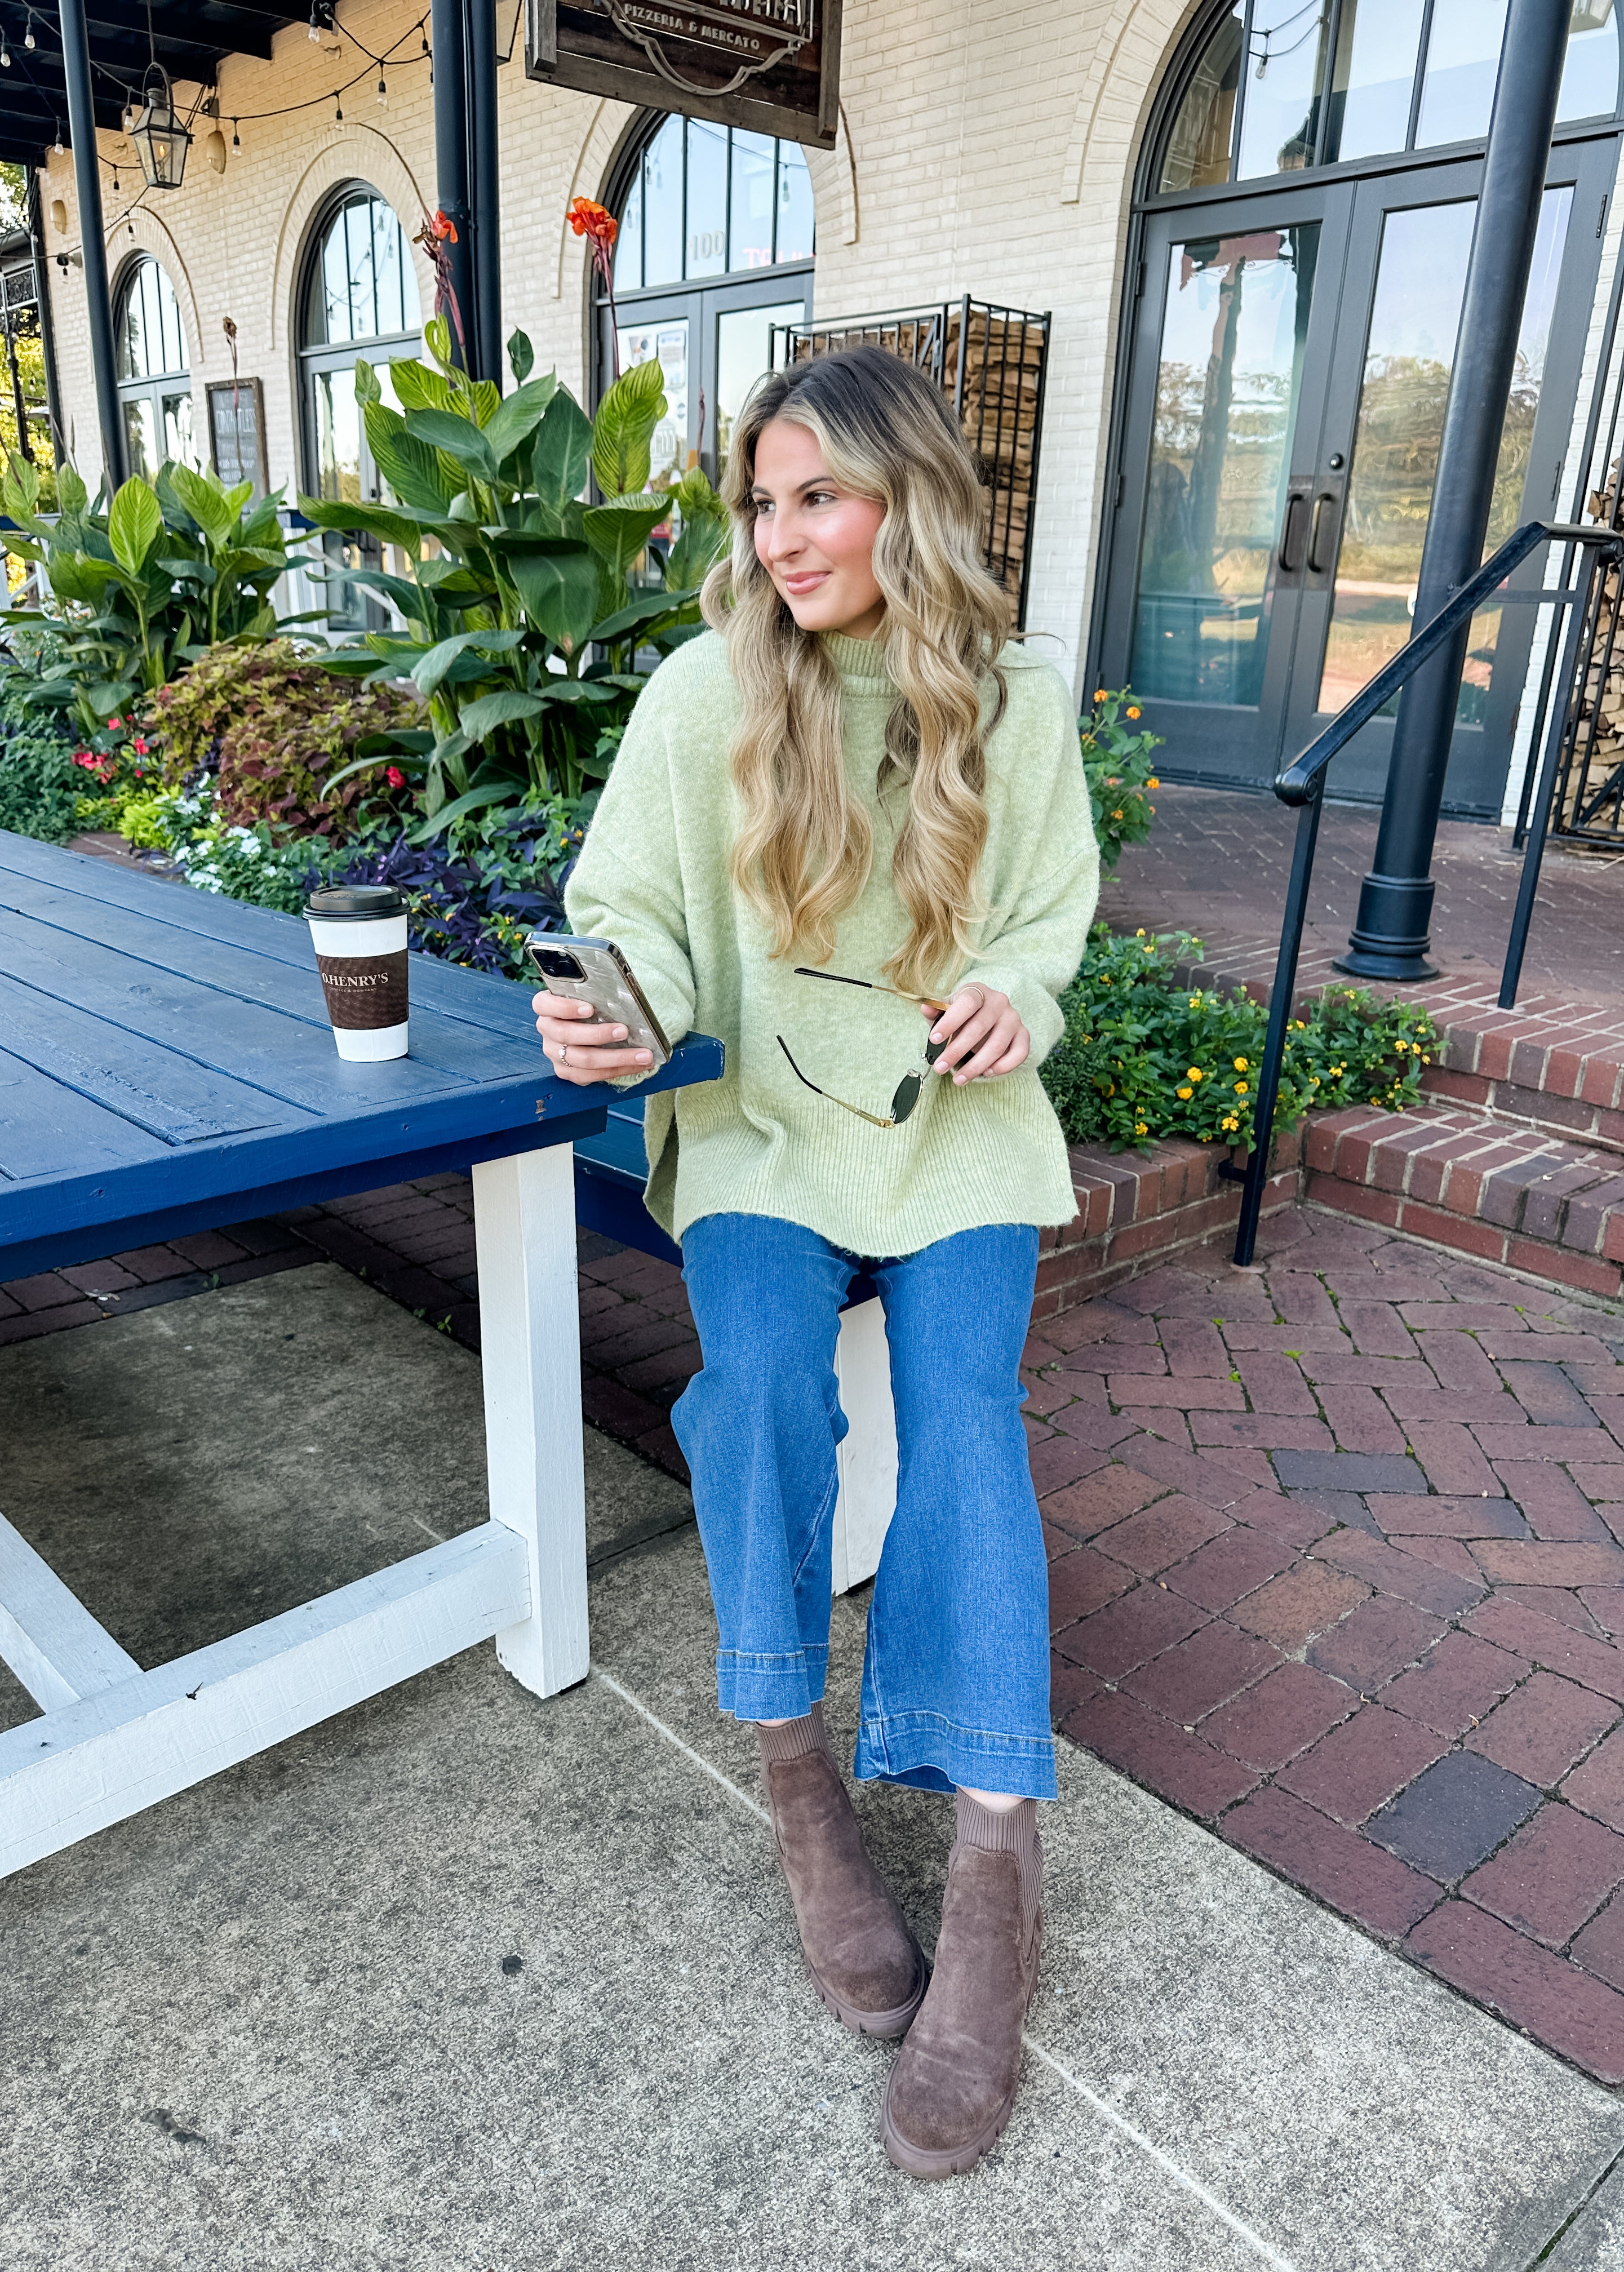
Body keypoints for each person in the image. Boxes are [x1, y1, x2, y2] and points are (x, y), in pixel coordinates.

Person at [531, 344, 1099, 2178]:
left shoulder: (1012, 698)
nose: (782, 536)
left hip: (953, 1130)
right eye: (762, 503)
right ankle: (798, 1779)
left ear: (905, 499)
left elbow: (1043, 917)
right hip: (768, 1122)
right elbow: (632, 911)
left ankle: (997, 1859)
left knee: (964, 1416)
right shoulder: (705, 693)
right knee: (763, 1384)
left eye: (819, 497)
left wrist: (1013, 994)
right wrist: (627, 1016)